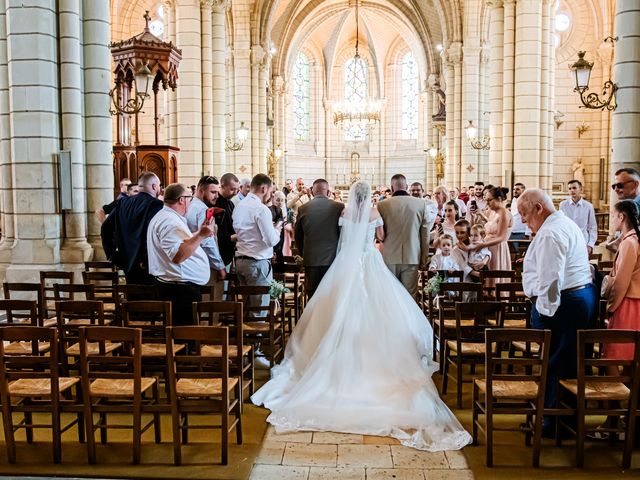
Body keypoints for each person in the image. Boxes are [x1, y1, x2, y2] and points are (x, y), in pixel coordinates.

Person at [251, 180, 472, 451]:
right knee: (380, 310)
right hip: (370, 262)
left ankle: (329, 359)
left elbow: (343, 239)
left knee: (336, 309)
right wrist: (374, 235)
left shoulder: (344, 213)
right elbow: (380, 237)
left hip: (344, 264)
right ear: (368, 197)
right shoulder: (375, 213)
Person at [519, 188, 597, 436]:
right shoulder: (563, 223)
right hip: (576, 299)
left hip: (565, 304)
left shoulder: (551, 233)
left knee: (556, 363)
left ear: (538, 208)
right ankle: (564, 418)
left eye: (524, 213)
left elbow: (551, 281)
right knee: (568, 361)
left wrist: (542, 314)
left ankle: (552, 423)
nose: (522, 220)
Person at [147, 183, 213, 326]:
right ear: (181, 199)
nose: (191, 202)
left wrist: (199, 234)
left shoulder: (165, 216)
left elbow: (180, 242)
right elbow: (178, 255)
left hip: (177, 285)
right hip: (179, 290)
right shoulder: (170, 221)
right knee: (184, 336)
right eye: (190, 198)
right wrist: (201, 236)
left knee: (181, 335)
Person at [232, 174, 283, 315]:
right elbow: (271, 241)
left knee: (248, 307)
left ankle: (247, 335)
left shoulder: (239, 206)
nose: (270, 195)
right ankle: (257, 337)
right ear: (263, 188)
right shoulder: (261, 209)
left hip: (241, 262)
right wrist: (277, 230)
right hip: (257, 263)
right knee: (259, 311)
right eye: (271, 192)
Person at [101, 172, 163, 284]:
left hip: (126, 260)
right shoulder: (156, 205)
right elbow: (151, 233)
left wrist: (111, 254)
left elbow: (105, 227)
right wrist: (146, 259)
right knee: (150, 300)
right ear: (154, 186)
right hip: (147, 264)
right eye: (159, 186)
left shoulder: (122, 203)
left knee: (132, 298)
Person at [377, 174, 435, 296]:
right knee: (410, 295)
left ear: (391, 188)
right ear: (407, 187)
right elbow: (425, 235)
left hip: (389, 256)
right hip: (412, 256)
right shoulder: (421, 204)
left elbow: (379, 234)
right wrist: (423, 259)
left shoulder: (382, 205)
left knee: (391, 293)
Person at [602, 200, 640, 360]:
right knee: (630, 355)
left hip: (628, 303)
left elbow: (621, 281)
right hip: (634, 301)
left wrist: (611, 307)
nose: (612, 220)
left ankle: (617, 386)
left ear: (621, 216)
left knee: (614, 354)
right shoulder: (633, 239)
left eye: (613, 216)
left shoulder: (630, 243)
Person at [294, 179, 345, 299]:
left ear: (312, 192)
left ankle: (312, 318)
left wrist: (304, 254)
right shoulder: (339, 207)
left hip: (311, 260)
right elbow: (343, 233)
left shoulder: (303, 208)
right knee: (330, 296)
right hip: (333, 259)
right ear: (328, 193)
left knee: (312, 296)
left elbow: (298, 236)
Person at [185, 176, 227, 299]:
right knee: (211, 307)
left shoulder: (188, 205)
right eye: (213, 192)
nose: (217, 196)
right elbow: (207, 241)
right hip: (207, 264)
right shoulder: (204, 210)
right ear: (201, 191)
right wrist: (219, 266)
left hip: (191, 262)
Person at [465, 187, 512, 275]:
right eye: (486, 200)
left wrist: (482, 245)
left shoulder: (504, 214)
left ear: (499, 199)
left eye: (489, 200)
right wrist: (475, 216)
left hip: (497, 248)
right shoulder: (493, 212)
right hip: (487, 248)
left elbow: (501, 237)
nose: (487, 203)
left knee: (494, 277)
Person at [559, 180, 598, 255]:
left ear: (581, 189)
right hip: (567, 242)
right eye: (570, 189)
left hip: (583, 242)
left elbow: (592, 227)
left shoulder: (588, 206)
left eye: (574, 188)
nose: (572, 190)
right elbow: (561, 225)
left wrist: (590, 245)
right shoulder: (563, 205)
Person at [214, 173, 240, 272]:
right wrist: (230, 237)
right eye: (232, 189)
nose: (235, 192)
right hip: (218, 253)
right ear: (222, 186)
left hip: (229, 252)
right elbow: (214, 233)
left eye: (237, 189)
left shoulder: (230, 203)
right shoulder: (215, 203)